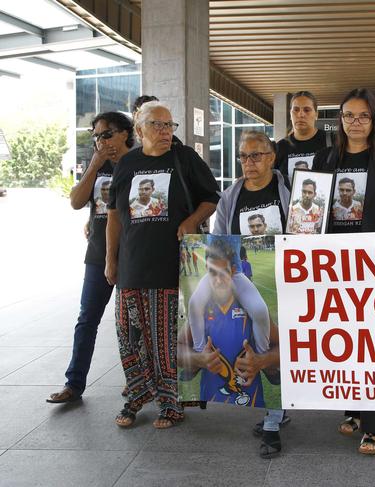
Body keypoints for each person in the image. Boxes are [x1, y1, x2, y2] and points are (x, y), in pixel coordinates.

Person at [105, 100, 219, 429]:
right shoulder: (127, 165)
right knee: (129, 336)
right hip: (131, 265)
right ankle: (138, 395)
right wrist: (110, 259)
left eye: (169, 126)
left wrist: (191, 221)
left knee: (165, 339)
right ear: (139, 130)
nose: (166, 131)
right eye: (157, 125)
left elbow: (211, 197)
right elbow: (114, 214)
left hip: (171, 266)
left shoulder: (184, 159)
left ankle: (170, 403)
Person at [313, 87, 375, 455]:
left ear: (374, 120)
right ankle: (353, 410)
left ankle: (374, 424)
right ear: (340, 120)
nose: (355, 122)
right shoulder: (325, 158)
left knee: (372, 344)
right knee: (344, 340)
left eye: (363, 116)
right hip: (333, 262)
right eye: (348, 116)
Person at [211, 129, 290, 458]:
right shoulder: (230, 197)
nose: (249, 162)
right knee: (262, 335)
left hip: (291, 277)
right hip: (244, 276)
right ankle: (274, 413)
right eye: (243, 156)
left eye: (256, 155)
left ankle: (278, 412)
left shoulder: (289, 191)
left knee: (285, 342)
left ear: (272, 157)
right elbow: (218, 242)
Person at [47, 112, 134, 405]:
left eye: (107, 134)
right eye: (96, 136)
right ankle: (74, 384)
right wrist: (95, 164)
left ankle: (135, 381)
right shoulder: (96, 165)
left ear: (125, 133)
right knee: (87, 319)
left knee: (131, 324)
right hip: (98, 254)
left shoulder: (138, 163)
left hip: (134, 255)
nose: (101, 140)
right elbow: (75, 201)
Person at [178, 239, 266, 407]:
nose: (218, 280)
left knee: (260, 311)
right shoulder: (203, 304)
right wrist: (199, 359)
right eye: (213, 273)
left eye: (223, 273)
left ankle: (262, 353)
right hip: (212, 405)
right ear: (206, 271)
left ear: (232, 271)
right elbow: (177, 349)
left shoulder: (248, 304)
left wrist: (262, 360)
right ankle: (198, 352)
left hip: (252, 402)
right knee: (193, 304)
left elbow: (286, 348)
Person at [275, 91, 332, 183]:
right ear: (290, 114)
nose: (301, 115)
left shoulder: (331, 141)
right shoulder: (280, 147)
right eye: (296, 110)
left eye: (306, 110)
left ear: (316, 114)